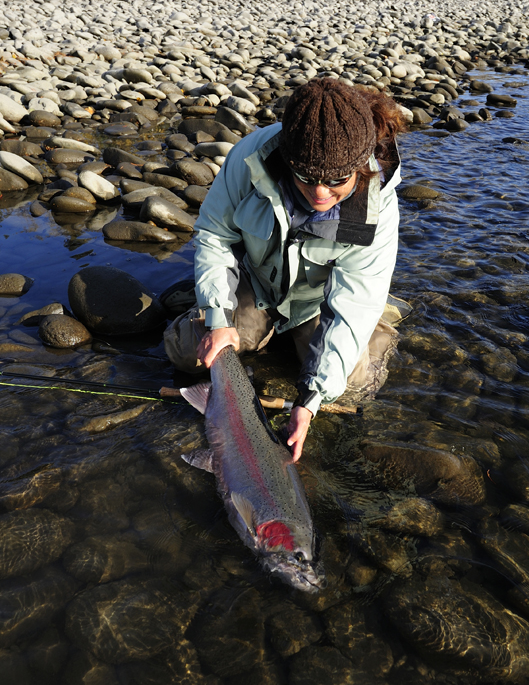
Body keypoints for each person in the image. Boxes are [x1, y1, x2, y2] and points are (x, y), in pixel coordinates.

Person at [164, 77, 408, 461]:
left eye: (337, 181)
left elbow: (353, 302)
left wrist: (310, 399)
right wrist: (218, 318)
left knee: (348, 385)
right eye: (307, 178)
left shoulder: (378, 205)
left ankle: (379, 324)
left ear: (360, 169)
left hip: (317, 302)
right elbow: (214, 236)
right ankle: (227, 312)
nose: (321, 193)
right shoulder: (250, 160)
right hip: (257, 286)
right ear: (289, 160)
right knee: (187, 354)